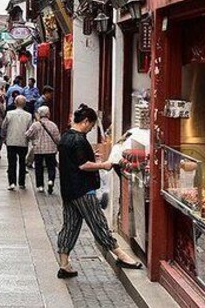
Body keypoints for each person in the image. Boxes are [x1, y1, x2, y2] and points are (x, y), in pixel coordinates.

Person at [56, 104, 141, 279]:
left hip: (68, 190)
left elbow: (73, 161)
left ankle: (64, 264)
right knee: (98, 222)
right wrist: (104, 165)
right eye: (92, 125)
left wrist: (91, 158)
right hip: (83, 190)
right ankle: (122, 256)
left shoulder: (66, 137)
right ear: (86, 121)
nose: (91, 128)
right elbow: (82, 165)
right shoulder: (79, 139)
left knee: (70, 226)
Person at [25, 106, 60, 194]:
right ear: (48, 114)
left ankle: (40, 186)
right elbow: (58, 139)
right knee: (51, 167)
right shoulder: (53, 125)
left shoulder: (36, 125)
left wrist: (33, 139)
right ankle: (51, 180)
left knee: (39, 168)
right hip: (51, 150)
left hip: (38, 149)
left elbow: (27, 135)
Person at [0, 95, 32, 190]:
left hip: (11, 141)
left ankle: (12, 182)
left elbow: (3, 127)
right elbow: (30, 130)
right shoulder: (28, 115)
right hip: (23, 142)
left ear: (15, 103)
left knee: (11, 163)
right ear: (24, 104)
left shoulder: (9, 114)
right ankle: (21, 183)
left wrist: (4, 138)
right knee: (22, 162)